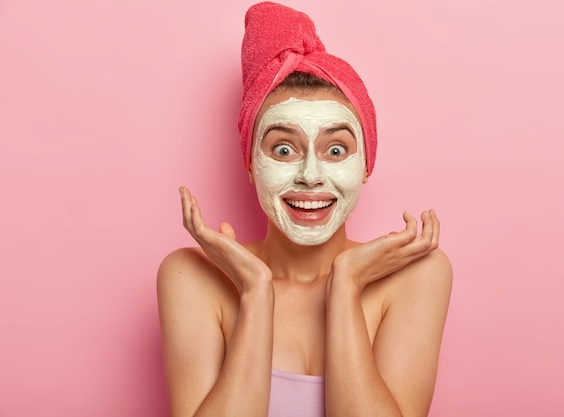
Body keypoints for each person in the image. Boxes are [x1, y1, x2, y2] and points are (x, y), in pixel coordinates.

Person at [157, 2, 452, 417]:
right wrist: (256, 292)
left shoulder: (418, 274)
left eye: (335, 149)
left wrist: (347, 283)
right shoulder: (193, 277)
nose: (310, 176)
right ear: (249, 164)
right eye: (282, 148)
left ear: (366, 165)